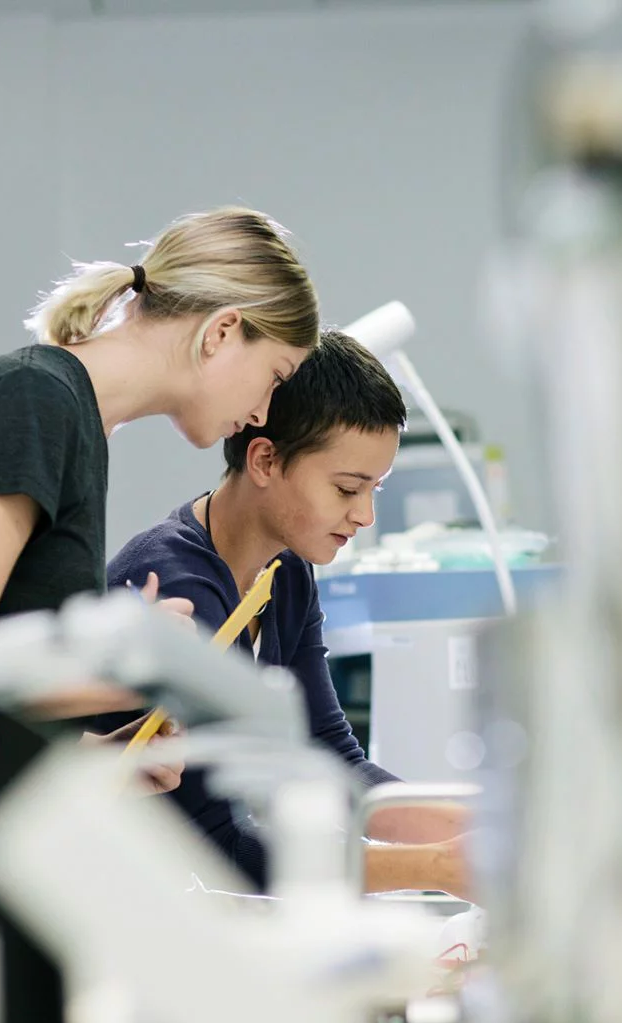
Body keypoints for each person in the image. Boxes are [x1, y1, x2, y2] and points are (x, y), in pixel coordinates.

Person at [0, 207, 320, 765]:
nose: (263, 414)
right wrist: (126, 665)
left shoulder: (79, 422)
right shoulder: (30, 401)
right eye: (274, 377)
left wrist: (108, 754)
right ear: (222, 332)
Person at [107, 331, 471, 895]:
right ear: (265, 459)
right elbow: (215, 846)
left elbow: (329, 753)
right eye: (348, 488)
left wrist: (475, 832)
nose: (367, 515)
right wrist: (437, 869)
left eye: (376, 488)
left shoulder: (284, 572)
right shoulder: (178, 588)